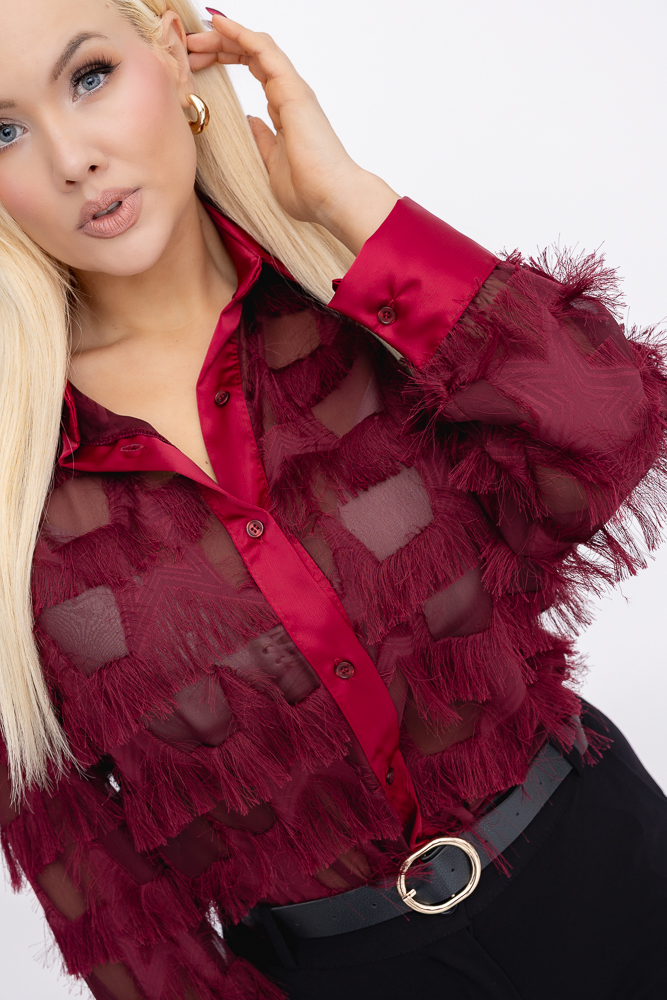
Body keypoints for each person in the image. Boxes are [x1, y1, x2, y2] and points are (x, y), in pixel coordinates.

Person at [0, 1, 666, 998]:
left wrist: (352, 202)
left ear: (173, 54)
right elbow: (100, 888)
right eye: (4, 131)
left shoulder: (370, 313)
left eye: (89, 77)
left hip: (604, 870)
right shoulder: (17, 494)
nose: (72, 158)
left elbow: (608, 429)